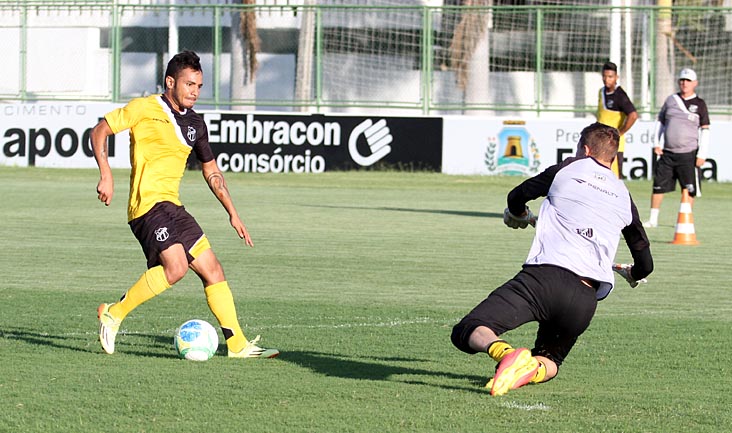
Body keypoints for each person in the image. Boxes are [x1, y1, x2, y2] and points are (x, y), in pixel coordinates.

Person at [91, 51, 279, 359]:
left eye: (199, 85)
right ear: (170, 82)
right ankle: (114, 313)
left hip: (173, 207)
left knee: (213, 270)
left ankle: (237, 344)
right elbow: (100, 131)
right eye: (189, 84)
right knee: (175, 268)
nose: (195, 91)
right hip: (147, 207)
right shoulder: (144, 108)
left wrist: (233, 213)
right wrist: (106, 175)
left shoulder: (196, 124)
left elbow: (212, 171)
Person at [451, 123, 653, 397]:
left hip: (543, 280)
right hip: (585, 298)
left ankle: (506, 354)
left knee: (469, 329)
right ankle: (528, 368)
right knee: (550, 360)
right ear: (613, 157)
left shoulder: (568, 168)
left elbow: (517, 196)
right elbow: (645, 261)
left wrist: (517, 213)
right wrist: (634, 273)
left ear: (584, 149)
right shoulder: (623, 195)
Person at [644, 67, 710, 228]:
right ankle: (653, 219)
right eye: (682, 80)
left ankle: (683, 219)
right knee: (658, 185)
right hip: (667, 153)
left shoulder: (699, 104)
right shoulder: (671, 100)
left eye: (688, 80)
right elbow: (660, 122)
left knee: (688, 188)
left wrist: (702, 154)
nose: (684, 83)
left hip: (689, 153)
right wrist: (656, 143)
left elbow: (705, 129)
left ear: (695, 83)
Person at [596, 61, 638, 179]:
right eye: (604, 76)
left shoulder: (620, 95)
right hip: (600, 143)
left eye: (610, 77)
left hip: (613, 145)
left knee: (613, 179)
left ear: (616, 77)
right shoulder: (601, 92)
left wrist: (620, 132)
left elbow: (633, 115)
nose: (606, 79)